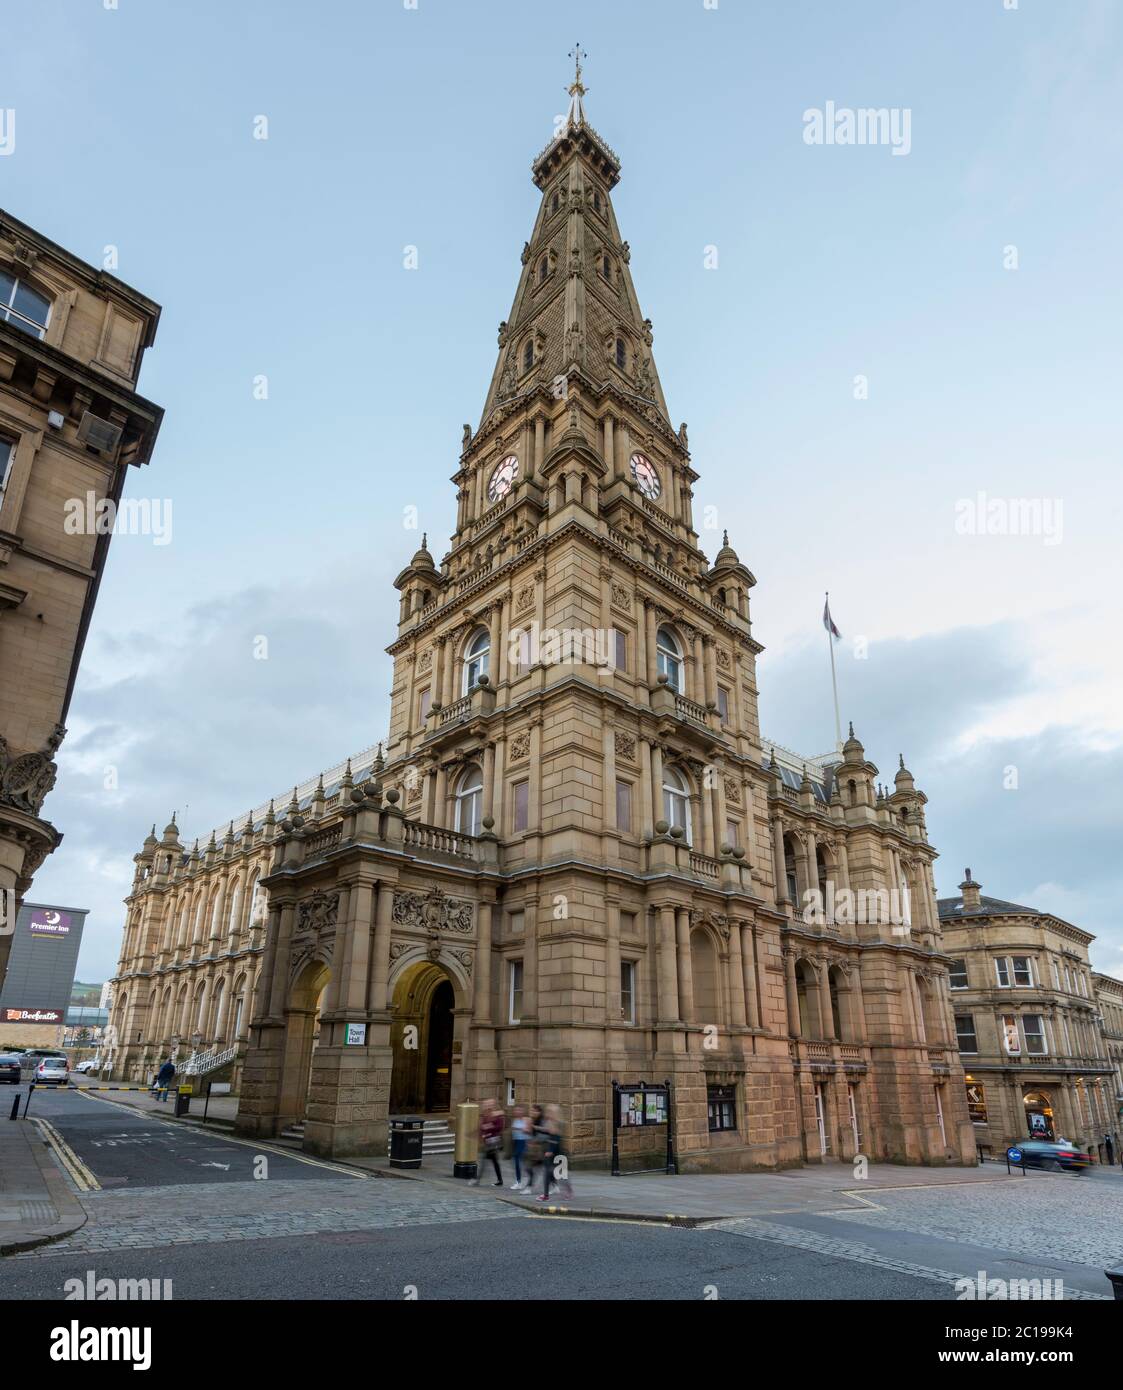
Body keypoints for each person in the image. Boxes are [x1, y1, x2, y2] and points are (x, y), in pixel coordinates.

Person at [538, 1103, 574, 1202]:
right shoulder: (548, 1122)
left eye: (550, 1112)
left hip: (558, 1154)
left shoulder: (559, 1123)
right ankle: (545, 1195)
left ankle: (569, 1190)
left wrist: (551, 1150)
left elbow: (556, 1138)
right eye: (548, 1112)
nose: (548, 1114)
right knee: (547, 1173)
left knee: (562, 1176)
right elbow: (546, 1134)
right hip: (549, 1153)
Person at [469, 1098, 505, 1187]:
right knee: (494, 1162)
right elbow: (481, 1127)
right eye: (486, 1104)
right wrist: (479, 1135)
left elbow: (499, 1127)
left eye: (489, 1104)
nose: (487, 1106)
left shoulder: (497, 1115)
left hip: (494, 1142)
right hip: (488, 1142)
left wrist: (489, 1126)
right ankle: (500, 1180)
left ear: (493, 1105)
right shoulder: (486, 1115)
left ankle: (477, 1180)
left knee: (484, 1161)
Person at [509, 1104, 531, 1191]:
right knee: (516, 1163)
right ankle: (519, 1181)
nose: (518, 1112)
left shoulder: (527, 1120)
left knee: (520, 1163)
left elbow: (529, 1131)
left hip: (524, 1142)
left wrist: (521, 1129)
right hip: (516, 1142)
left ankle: (523, 1181)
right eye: (516, 1110)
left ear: (523, 1111)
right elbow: (513, 1132)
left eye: (520, 1110)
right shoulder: (515, 1120)